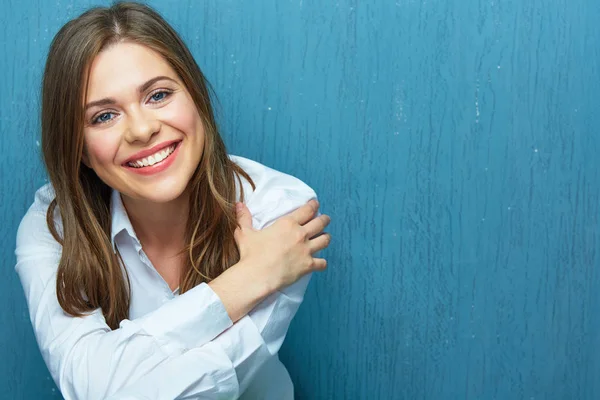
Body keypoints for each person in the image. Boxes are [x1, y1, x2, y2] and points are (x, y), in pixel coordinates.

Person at [14, 2, 331, 399]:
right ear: (79, 149)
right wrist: (248, 280)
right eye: (104, 117)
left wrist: (113, 366)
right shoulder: (53, 227)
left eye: (159, 95)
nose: (142, 129)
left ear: (195, 96)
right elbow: (90, 389)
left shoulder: (278, 208)